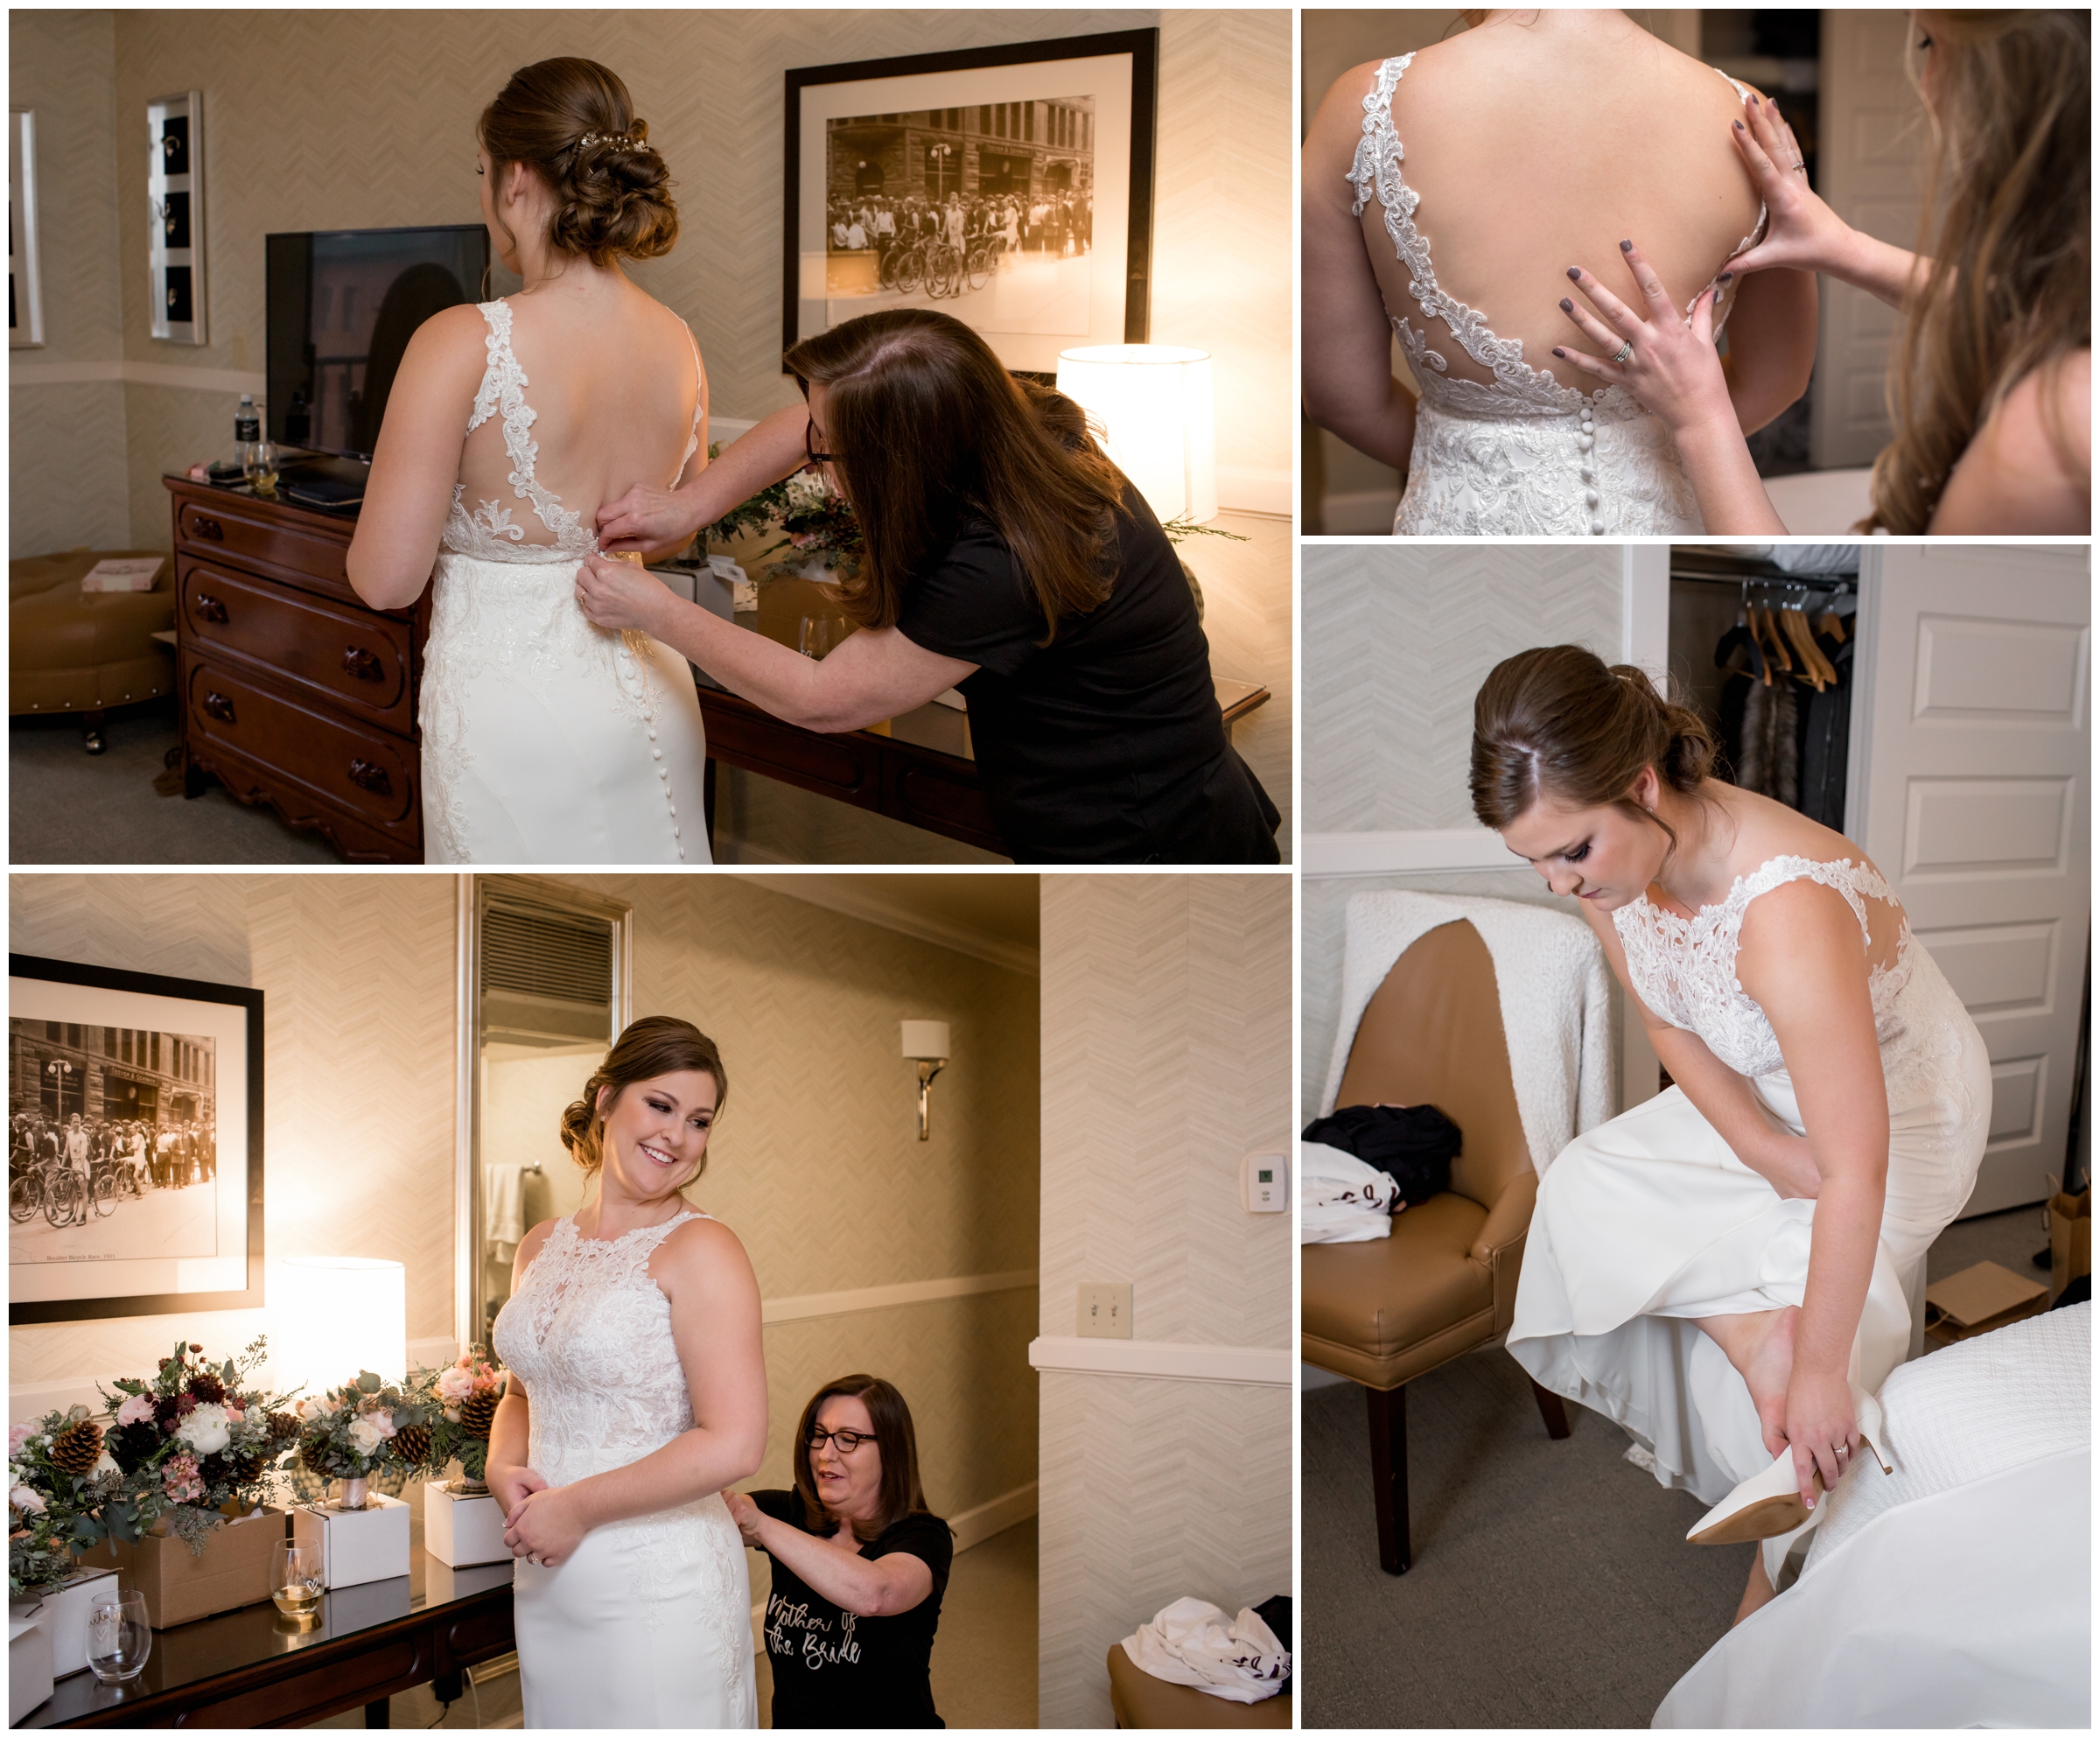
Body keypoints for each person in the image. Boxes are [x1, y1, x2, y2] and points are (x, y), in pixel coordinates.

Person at [1471, 646, 1991, 1628]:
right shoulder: (1617, 876)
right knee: (1583, 1181)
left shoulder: (1785, 910)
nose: (1553, 883)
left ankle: (1776, 1574)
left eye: (1569, 851)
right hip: (1774, 1093)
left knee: (1833, 1328)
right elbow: (1667, 1018)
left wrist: (1826, 1368)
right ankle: (1756, 1344)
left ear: (1640, 786)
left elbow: (1855, 1165)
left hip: (1903, 1113)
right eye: (1530, 858)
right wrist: (1756, 1146)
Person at [581, 308, 1281, 864]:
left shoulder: (1001, 559)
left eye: (833, 452)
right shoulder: (1010, 427)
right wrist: (691, 507)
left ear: (900, 456)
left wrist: (656, 609)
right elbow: (807, 424)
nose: (818, 460)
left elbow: (825, 701)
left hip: (1146, 841)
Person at [344, 58, 714, 865]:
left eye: (481, 173)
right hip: (655, 692)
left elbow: (385, 580)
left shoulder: (459, 339)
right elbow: (674, 535)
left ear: (515, 178)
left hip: (512, 715)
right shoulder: (679, 341)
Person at [1554, 9, 2089, 533]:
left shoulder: (2045, 445)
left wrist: (1700, 417)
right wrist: (1845, 247)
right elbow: (2039, 313)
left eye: (1930, 44)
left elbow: (1768, 552)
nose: (1924, 87)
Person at [1300, 8, 1817, 535]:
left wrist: (1469, 459)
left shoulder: (1363, 108)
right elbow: (1777, 378)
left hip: (1465, 530)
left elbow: (1342, 401)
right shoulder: (1746, 116)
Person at [489, 1015, 765, 1728]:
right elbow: (524, 1388)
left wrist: (572, 1509)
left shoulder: (702, 1249)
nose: (678, 1135)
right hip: (551, 1577)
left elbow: (734, 1443)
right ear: (607, 1100)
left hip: (659, 1583)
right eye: (661, 1105)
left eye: (699, 1120)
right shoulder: (541, 1245)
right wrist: (499, 1466)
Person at [726, 1376, 953, 1729]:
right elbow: (713, 1518)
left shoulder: (923, 1536)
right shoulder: (791, 1512)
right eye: (819, 1435)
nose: (825, 1454)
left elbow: (876, 1594)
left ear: (890, 1451)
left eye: (849, 1439)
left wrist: (763, 1528)